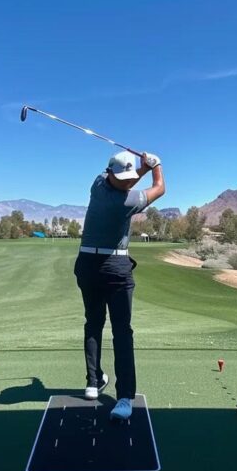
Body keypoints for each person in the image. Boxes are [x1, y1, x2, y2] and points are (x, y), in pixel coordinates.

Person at [75, 150, 165, 420]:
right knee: (122, 331)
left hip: (86, 264)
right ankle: (124, 397)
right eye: (124, 177)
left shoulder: (98, 184)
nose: (128, 182)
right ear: (112, 173)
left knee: (93, 322)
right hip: (114, 268)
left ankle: (93, 382)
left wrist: (141, 168)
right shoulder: (127, 202)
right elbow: (160, 189)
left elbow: (124, 180)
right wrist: (155, 165)